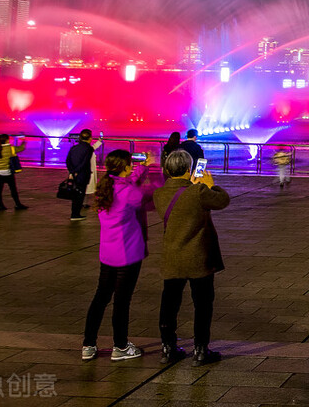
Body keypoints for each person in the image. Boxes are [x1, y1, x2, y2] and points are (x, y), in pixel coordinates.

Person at [154, 149, 230, 366]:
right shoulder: (198, 193)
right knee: (203, 305)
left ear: (168, 170)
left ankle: (167, 348)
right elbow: (222, 200)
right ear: (189, 170)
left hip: (172, 257)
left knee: (169, 303)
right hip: (198, 257)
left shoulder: (159, 194)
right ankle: (200, 349)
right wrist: (209, 184)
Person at [82, 150, 157, 362]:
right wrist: (155, 170)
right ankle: (121, 346)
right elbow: (151, 196)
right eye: (130, 164)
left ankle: (88, 344)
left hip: (107, 254)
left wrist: (144, 167)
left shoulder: (105, 188)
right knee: (122, 301)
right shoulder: (129, 193)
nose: (133, 167)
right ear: (123, 167)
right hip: (128, 255)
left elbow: (128, 184)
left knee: (101, 297)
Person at [0, 133, 28, 211]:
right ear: (7, 140)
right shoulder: (11, 149)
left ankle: (1, 206)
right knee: (13, 189)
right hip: (8, 173)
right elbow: (21, 148)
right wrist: (23, 141)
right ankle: (18, 204)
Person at [66, 130, 97, 221]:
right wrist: (76, 171)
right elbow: (84, 162)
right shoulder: (89, 149)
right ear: (90, 138)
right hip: (83, 175)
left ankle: (74, 213)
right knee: (80, 194)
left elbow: (68, 161)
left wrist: (72, 171)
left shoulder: (74, 148)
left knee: (75, 194)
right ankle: (76, 214)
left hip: (74, 175)